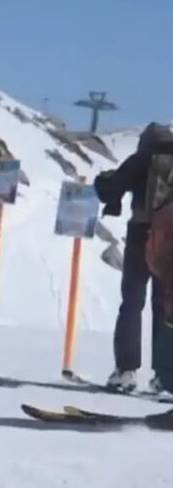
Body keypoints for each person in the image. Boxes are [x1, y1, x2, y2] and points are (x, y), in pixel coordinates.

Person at [94, 122, 173, 393]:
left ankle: (126, 371)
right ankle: (164, 376)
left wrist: (104, 180)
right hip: (170, 239)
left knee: (132, 301)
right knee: (165, 306)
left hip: (140, 234)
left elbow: (111, 188)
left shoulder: (140, 159)